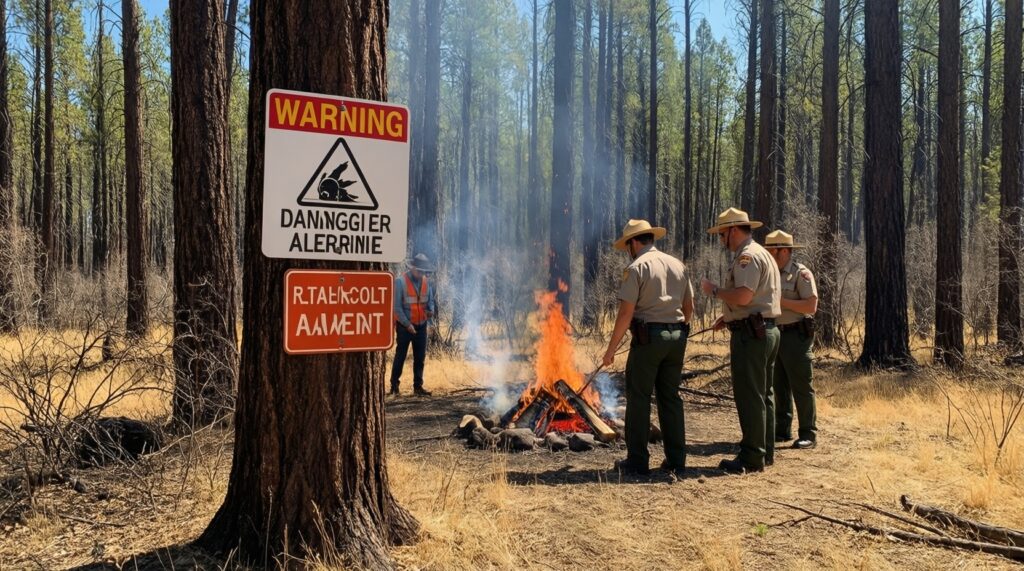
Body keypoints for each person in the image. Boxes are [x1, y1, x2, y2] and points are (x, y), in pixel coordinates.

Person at [602, 219, 694, 476]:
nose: (627, 251)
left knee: (639, 398)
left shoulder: (636, 268)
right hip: (677, 338)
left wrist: (610, 351)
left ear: (633, 242)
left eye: (627, 245)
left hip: (648, 339)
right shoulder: (678, 265)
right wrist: (675, 330)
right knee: (671, 398)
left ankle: (637, 461)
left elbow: (625, 314)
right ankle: (677, 460)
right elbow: (689, 310)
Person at [700, 208, 781, 474]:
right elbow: (757, 299)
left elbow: (745, 296)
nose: (721, 239)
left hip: (752, 336)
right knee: (764, 394)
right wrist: (730, 318)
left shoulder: (747, 257)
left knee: (750, 396)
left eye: (723, 233)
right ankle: (764, 452)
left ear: (733, 231)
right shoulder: (761, 254)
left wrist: (715, 291)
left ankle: (751, 457)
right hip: (763, 330)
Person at [764, 230, 818, 450]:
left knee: (801, 385)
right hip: (776, 334)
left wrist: (781, 301)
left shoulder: (800, 273)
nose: (768, 254)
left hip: (796, 335)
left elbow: (810, 305)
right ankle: (781, 429)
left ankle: (808, 433)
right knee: (778, 385)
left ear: (784, 251)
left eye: (772, 251)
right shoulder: (768, 273)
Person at [390, 253, 437, 396]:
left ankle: (418, 387)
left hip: (421, 325)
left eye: (423, 271)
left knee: (420, 357)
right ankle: (394, 387)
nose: (422, 273)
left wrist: (431, 311)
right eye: (419, 271)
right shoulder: (400, 282)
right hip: (405, 327)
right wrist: (407, 324)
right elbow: (396, 308)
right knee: (400, 356)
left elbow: (430, 301)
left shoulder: (426, 282)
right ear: (412, 268)